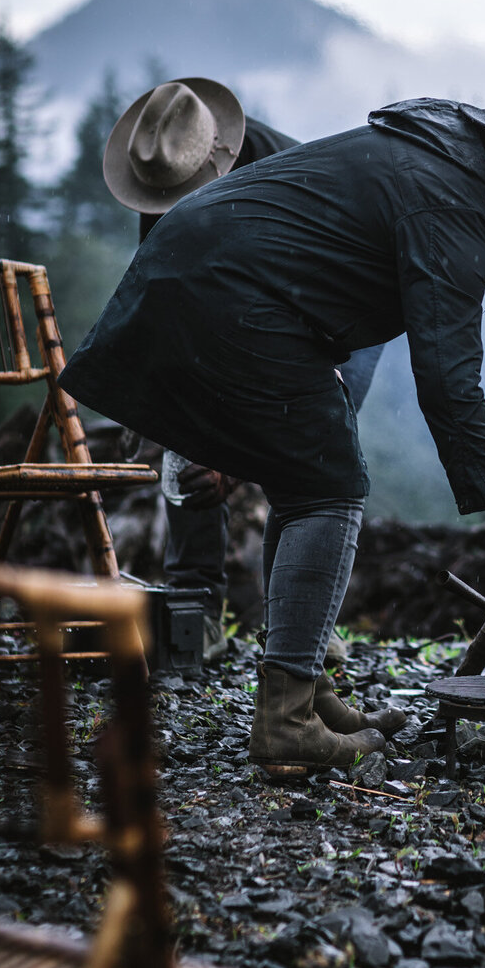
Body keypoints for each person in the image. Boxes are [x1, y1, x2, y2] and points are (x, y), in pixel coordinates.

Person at [61, 57, 485, 775]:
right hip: (231, 299)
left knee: (306, 476)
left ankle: (307, 688)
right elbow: (447, 375)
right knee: (329, 487)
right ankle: (287, 721)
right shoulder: (452, 197)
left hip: (228, 290)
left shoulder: (450, 150)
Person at [101, 77, 381, 662]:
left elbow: (320, 330)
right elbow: (168, 309)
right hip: (231, 322)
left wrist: (235, 452)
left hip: (339, 324)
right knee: (186, 455)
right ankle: (194, 607)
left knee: (311, 459)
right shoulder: (167, 186)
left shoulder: (296, 180)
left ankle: (299, 628)